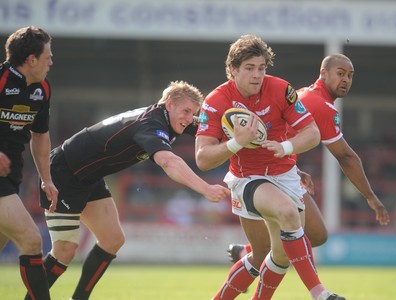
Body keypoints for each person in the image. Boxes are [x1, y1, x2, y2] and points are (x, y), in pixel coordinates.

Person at [26, 80, 230, 300]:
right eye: (186, 111)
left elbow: (211, 129)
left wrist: (241, 136)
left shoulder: (170, 118)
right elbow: (169, 162)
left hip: (89, 176)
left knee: (113, 240)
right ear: (169, 104)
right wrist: (205, 189)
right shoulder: (150, 124)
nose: (190, 118)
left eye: (194, 112)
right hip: (63, 173)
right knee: (65, 249)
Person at [195, 34, 345, 299]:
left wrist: (286, 148)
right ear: (233, 70)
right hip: (247, 179)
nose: (257, 75)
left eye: (261, 68)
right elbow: (203, 158)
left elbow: (311, 133)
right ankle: (319, 292)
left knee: (279, 255)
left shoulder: (280, 89)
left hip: (284, 175)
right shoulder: (216, 101)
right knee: (287, 212)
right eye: (250, 68)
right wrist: (235, 143)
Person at [226, 53, 390, 264]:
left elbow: (280, 134)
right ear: (323, 73)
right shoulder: (322, 106)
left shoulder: (305, 94)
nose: (346, 80)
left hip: (274, 170)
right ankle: (314, 290)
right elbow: (346, 157)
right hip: (263, 175)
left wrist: (294, 168)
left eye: (350, 75)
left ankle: (248, 252)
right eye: (340, 74)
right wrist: (370, 197)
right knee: (287, 245)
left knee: (315, 235)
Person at [0, 26, 58, 300]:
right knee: (32, 239)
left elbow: (40, 135)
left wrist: (46, 179)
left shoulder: (42, 89)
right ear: (31, 59)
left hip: (11, 176)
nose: (51, 62)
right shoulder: (0, 79)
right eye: (47, 56)